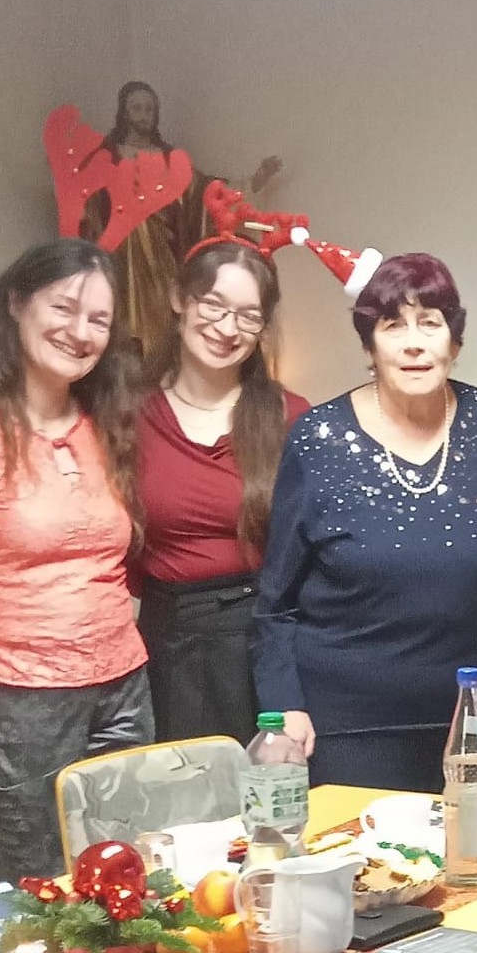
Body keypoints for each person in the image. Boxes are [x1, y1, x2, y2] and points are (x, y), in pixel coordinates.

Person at [254, 252, 477, 794]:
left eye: (431, 322)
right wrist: (285, 707)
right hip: (354, 728)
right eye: (393, 325)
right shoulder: (318, 438)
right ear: (369, 346)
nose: (414, 342)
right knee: (377, 875)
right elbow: (276, 600)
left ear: (455, 341)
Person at [0, 238, 151, 878]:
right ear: (16, 303)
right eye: (65, 308)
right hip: (23, 696)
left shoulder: (107, 422)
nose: (80, 332)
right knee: (49, 887)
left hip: (125, 684)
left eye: (98, 320)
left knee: (131, 876)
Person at [135, 239, 308, 744]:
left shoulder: (290, 417)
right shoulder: (128, 418)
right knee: (183, 813)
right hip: (169, 652)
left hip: (269, 648)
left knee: (277, 814)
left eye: (249, 316)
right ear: (179, 300)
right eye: (214, 305)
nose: (228, 328)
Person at [83, 81, 281, 361]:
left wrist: (254, 182)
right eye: (137, 108)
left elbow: (208, 193)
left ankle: (159, 367)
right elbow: (87, 203)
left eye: (150, 108)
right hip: (120, 256)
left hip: (162, 256)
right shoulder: (107, 158)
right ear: (124, 113)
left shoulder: (171, 162)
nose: (144, 114)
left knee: (162, 318)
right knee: (123, 323)